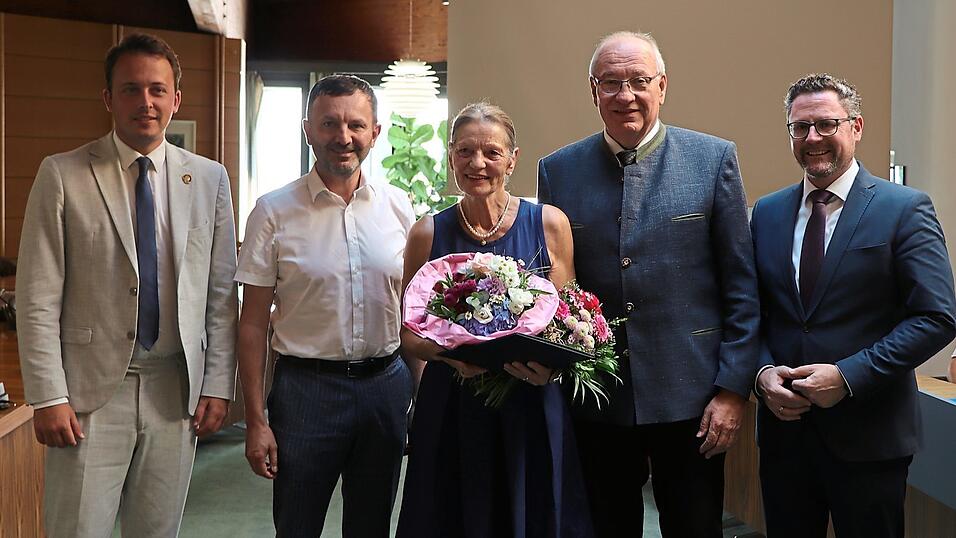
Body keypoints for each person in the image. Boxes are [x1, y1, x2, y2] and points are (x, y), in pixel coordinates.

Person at [536, 31, 760, 537]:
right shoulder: (558, 170)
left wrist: (732, 391)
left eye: (639, 81)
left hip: (694, 397)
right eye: (611, 83)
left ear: (662, 86)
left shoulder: (713, 159)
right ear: (593, 91)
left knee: (695, 526)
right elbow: (550, 283)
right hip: (598, 396)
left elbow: (741, 287)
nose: (626, 95)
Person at [16, 33, 238, 537]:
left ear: (176, 98)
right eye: (131, 89)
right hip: (88, 394)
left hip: (175, 390)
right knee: (77, 530)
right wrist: (48, 395)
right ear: (108, 98)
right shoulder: (63, 174)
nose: (146, 102)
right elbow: (36, 298)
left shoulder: (209, 179)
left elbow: (220, 297)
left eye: (158, 90)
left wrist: (217, 384)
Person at [751, 73, 956, 538]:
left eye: (826, 124)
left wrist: (848, 376)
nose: (813, 139)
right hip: (785, 437)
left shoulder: (903, 208)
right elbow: (752, 312)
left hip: (870, 438)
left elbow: (938, 315)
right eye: (800, 128)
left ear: (856, 127)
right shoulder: (767, 212)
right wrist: (762, 375)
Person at [397, 102, 593, 537]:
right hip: (454, 402)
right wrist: (450, 356)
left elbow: (570, 322)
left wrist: (550, 368)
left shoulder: (548, 223)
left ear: (513, 159)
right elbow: (408, 336)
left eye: (491, 152)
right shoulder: (426, 233)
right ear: (451, 158)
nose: (477, 163)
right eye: (465, 152)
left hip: (531, 399)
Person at [236, 75, 414, 537]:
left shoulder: (399, 208)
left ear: (375, 132)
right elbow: (252, 324)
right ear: (308, 129)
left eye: (356, 124)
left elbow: (414, 311)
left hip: (385, 388)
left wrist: (422, 396)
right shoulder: (273, 212)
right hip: (306, 393)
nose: (343, 137)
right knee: (297, 526)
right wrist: (256, 421)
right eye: (330, 123)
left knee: (372, 524)